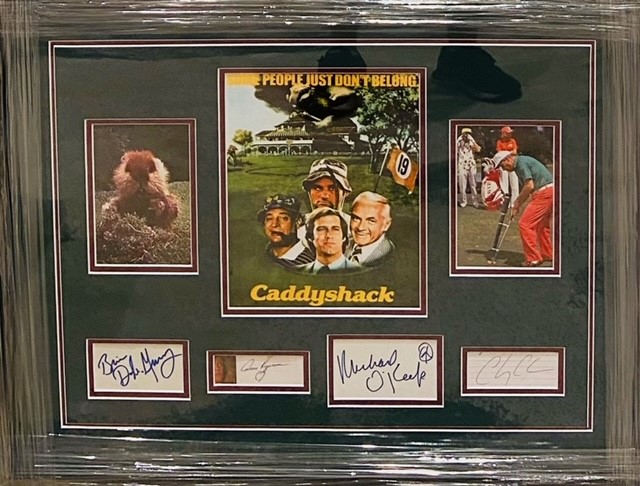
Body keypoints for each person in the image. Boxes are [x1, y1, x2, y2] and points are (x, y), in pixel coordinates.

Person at [493, 151, 554, 267]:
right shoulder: (521, 163)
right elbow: (529, 187)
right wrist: (519, 204)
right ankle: (548, 254)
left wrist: (517, 202)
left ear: (508, 159)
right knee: (541, 225)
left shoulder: (521, 163)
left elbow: (529, 186)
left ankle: (534, 258)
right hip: (550, 191)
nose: (503, 169)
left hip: (544, 193)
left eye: (502, 165)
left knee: (525, 224)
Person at [297, 207, 360, 275]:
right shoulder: (297, 273)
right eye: (321, 229)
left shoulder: (360, 273)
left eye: (335, 229)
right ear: (311, 237)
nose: (329, 235)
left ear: (344, 237)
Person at [257, 194, 314, 268]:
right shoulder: (263, 255)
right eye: (269, 218)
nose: (274, 224)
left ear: (297, 222)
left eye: (283, 218)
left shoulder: (306, 264)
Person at [346, 192, 395, 267]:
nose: (360, 227)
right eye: (356, 218)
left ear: (386, 225)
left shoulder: (390, 258)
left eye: (371, 221)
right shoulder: (342, 243)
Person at [456, 127, 482, 208]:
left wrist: (472, 142)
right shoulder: (459, 140)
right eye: (466, 133)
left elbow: (478, 150)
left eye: (468, 133)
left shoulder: (471, 140)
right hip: (462, 164)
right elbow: (455, 151)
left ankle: (475, 201)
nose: (467, 135)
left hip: (471, 164)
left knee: (473, 184)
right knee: (462, 184)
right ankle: (463, 201)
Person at [496, 126, 520, 206]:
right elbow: (499, 154)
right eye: (508, 133)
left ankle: (514, 203)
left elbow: (515, 152)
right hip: (503, 165)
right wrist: (510, 152)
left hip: (513, 164)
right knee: (504, 184)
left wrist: (505, 153)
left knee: (514, 184)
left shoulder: (512, 141)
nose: (510, 134)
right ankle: (505, 203)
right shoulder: (499, 142)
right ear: (504, 134)